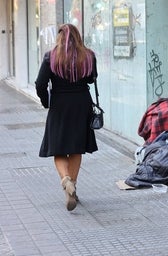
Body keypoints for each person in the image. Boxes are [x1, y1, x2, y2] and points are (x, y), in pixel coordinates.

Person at [35, 23, 98, 211]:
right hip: (81, 104)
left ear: (60, 38)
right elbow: (91, 78)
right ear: (78, 37)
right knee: (77, 148)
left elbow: (40, 83)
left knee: (59, 149)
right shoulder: (88, 55)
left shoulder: (51, 56)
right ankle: (72, 187)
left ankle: (66, 181)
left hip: (60, 105)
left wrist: (46, 102)